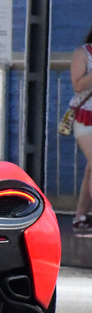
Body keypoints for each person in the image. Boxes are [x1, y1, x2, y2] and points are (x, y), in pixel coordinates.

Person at [71, 24, 92, 232]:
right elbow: (77, 86)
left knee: (90, 168)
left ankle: (80, 215)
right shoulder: (83, 53)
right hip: (86, 118)